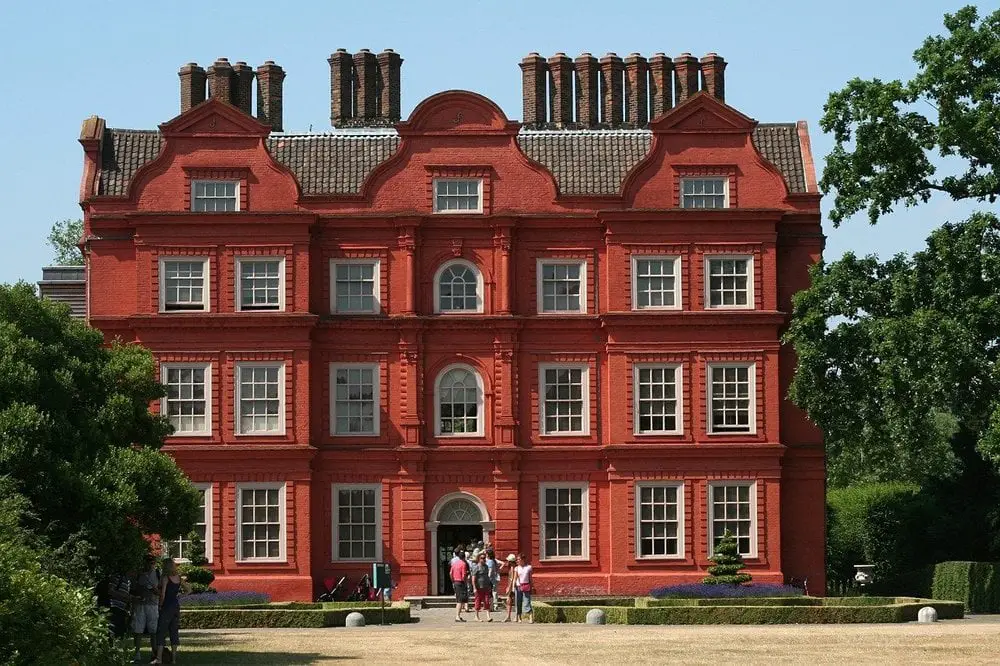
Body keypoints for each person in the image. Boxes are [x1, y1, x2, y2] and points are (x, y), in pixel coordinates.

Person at [151, 558, 186, 664]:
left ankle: (159, 658)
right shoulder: (179, 578)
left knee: (161, 631)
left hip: (167, 606)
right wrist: (179, 596)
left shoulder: (165, 578)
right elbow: (189, 590)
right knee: (174, 631)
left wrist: (160, 604)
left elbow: (163, 594)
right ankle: (174, 659)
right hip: (175, 605)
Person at [131, 555, 160, 662]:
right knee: (137, 629)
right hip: (140, 604)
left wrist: (154, 590)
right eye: (148, 562)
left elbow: (161, 591)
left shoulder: (158, 574)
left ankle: (154, 653)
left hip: (153, 604)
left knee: (153, 630)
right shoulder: (139, 574)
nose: (150, 564)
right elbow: (133, 589)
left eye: (152, 562)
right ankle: (137, 652)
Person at [471, 552, 493, 622]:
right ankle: (476, 616)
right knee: (478, 601)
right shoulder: (476, 567)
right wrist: (474, 587)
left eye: (484, 558)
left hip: (486, 587)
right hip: (478, 587)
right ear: (479, 559)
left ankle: (488, 616)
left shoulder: (486, 566)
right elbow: (473, 578)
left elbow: (487, 576)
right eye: (482, 558)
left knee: (487, 601)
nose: (484, 559)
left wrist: (489, 585)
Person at [450, 549, 469, 622]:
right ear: (464, 557)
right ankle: (457, 616)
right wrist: (465, 582)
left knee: (458, 600)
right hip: (461, 582)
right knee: (460, 601)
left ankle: (458, 616)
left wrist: (453, 580)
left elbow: (450, 573)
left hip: (455, 582)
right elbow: (464, 575)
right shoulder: (463, 564)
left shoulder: (454, 563)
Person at [515, 552, 534, 623]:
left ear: (523, 559)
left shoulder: (528, 567)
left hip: (526, 586)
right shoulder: (516, 568)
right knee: (518, 602)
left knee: (527, 602)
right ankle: (519, 617)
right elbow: (515, 578)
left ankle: (531, 617)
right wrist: (512, 588)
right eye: (517, 559)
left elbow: (530, 578)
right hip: (518, 586)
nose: (517, 561)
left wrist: (532, 586)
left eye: (518, 559)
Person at [500, 553, 517, 622]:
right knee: (509, 601)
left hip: (514, 587)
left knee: (513, 601)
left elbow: (512, 579)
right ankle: (509, 616)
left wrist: (509, 588)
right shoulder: (511, 567)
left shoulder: (513, 568)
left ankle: (515, 616)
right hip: (512, 586)